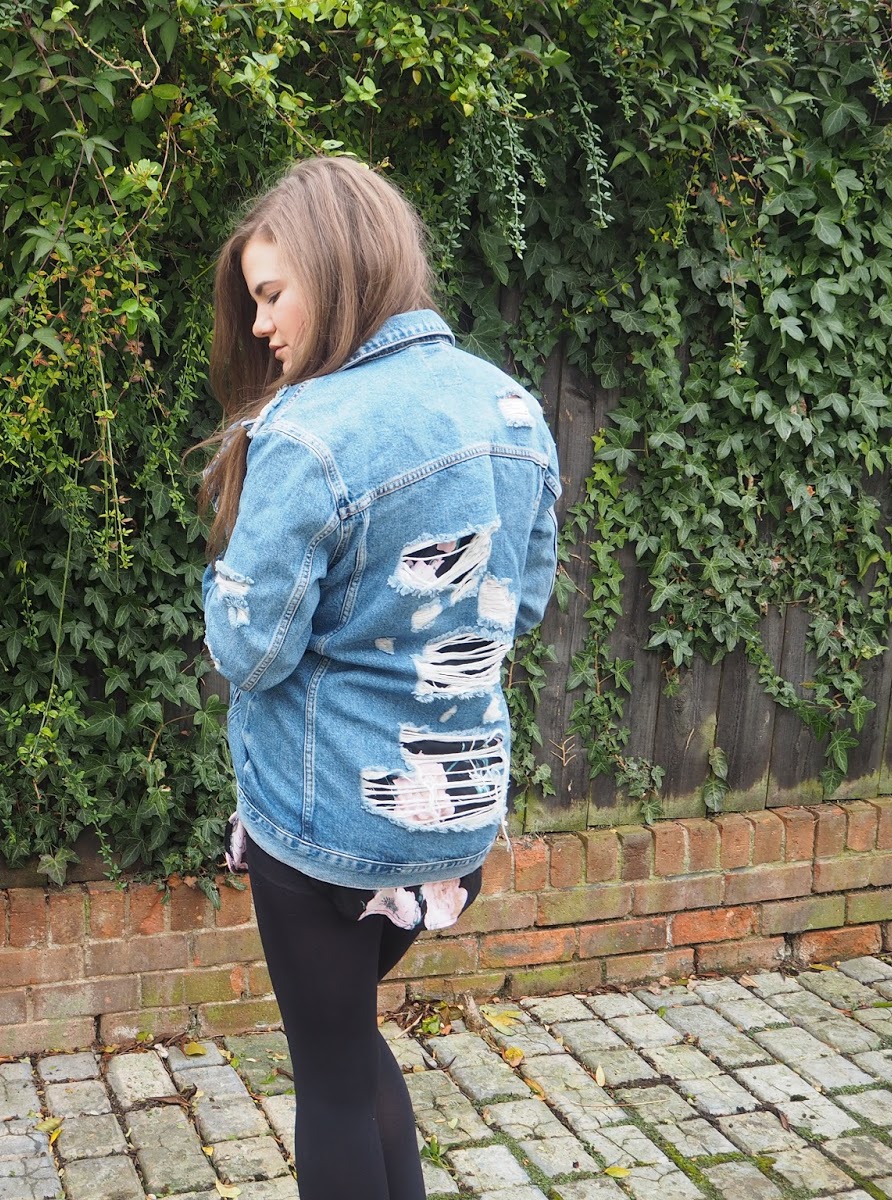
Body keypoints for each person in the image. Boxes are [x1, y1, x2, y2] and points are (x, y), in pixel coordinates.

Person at [198, 157, 561, 1200]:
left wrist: (223, 577)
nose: (260, 325)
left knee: (328, 1082)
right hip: (453, 823)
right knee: (350, 1050)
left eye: (273, 294)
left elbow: (249, 650)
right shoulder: (510, 408)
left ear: (333, 266)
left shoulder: (309, 431)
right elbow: (519, 607)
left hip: (325, 832)